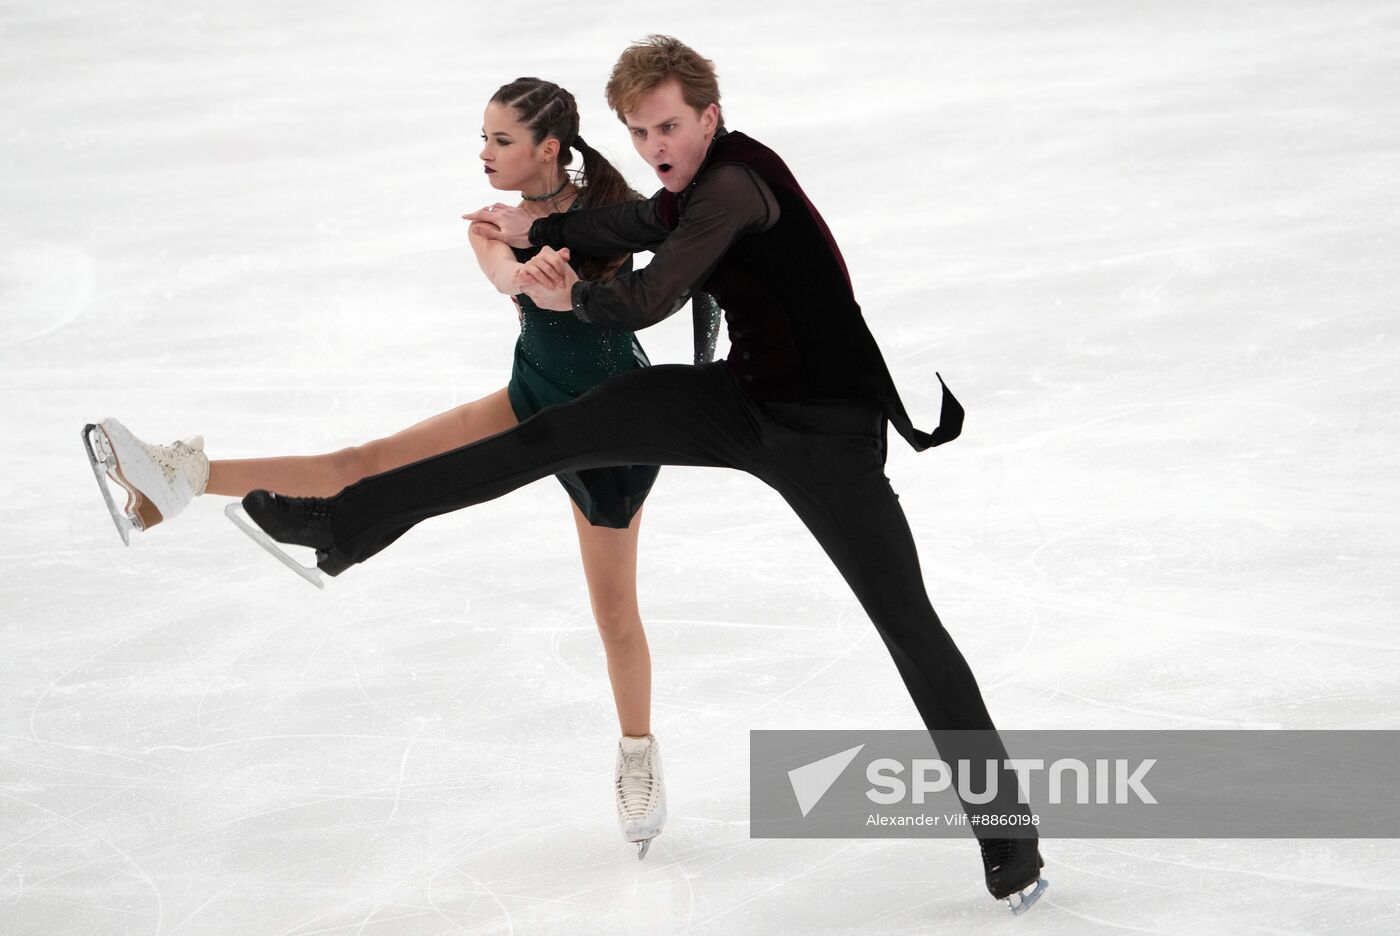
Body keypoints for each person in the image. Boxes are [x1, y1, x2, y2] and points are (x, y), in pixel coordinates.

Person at [239, 38, 1047, 912]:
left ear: (709, 115)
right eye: (638, 132)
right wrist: (538, 228)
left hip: (829, 438)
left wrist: (568, 296)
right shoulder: (692, 184)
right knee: (553, 434)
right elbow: (633, 225)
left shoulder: (734, 185)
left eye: (668, 125)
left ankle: (1011, 846)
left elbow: (653, 294)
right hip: (743, 402)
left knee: (908, 626)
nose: (655, 145)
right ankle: (341, 526)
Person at [80, 77, 721, 860]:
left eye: (501, 141)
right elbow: (498, 273)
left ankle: (636, 754)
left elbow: (683, 253)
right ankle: (174, 475)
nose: (484, 155)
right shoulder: (492, 224)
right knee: (364, 462)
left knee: (615, 614)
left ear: (548, 148)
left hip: (616, 421)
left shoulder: (613, 208)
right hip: (534, 393)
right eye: (482, 139)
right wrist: (521, 275)